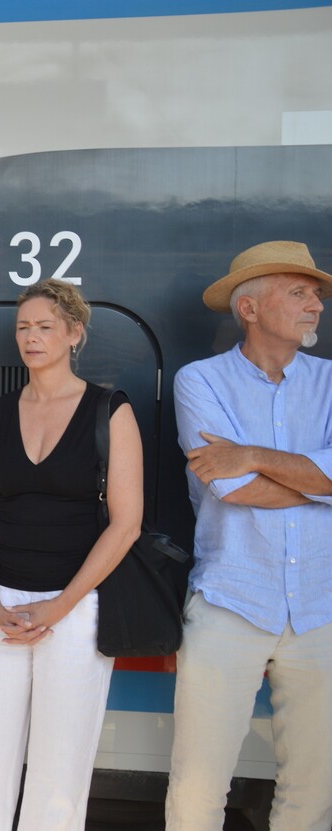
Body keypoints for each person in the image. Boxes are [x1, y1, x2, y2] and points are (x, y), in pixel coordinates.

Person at [0, 278, 144, 831]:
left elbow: (127, 526)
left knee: (61, 769)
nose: (31, 337)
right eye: (23, 328)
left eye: (45, 326)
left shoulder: (110, 410)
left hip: (76, 611)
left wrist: (59, 606)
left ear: (74, 333)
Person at [168, 240, 332, 830]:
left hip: (322, 608)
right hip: (230, 602)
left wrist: (253, 454)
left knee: (314, 791)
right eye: (299, 291)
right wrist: (318, 479)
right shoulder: (199, 380)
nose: (316, 304)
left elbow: (245, 473)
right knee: (198, 786)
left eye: (315, 294)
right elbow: (229, 490)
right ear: (251, 309)